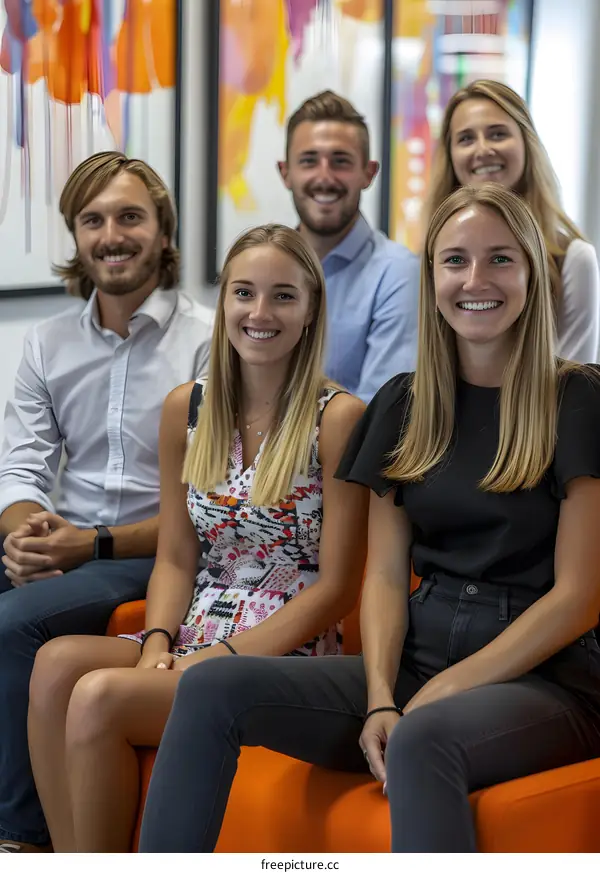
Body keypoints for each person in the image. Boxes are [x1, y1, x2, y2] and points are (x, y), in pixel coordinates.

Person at [137, 184, 600, 854]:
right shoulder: (402, 403)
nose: (476, 280)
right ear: (431, 276)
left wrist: (447, 687)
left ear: (531, 271)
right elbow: (383, 577)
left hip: (546, 679)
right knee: (210, 685)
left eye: (500, 259)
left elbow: (580, 596)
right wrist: (383, 694)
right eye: (454, 260)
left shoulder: (578, 397)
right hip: (414, 661)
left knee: (425, 734)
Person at [27, 224, 368, 853]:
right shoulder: (187, 407)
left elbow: (338, 587)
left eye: (283, 296)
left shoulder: (339, 417)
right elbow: (177, 557)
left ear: (311, 309)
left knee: (100, 695)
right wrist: (159, 639)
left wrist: (218, 660)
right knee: (54, 666)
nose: (260, 313)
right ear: (225, 302)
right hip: (193, 626)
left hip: (279, 650)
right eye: (244, 293)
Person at [0, 151, 212, 853]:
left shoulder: (210, 342)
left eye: (130, 216)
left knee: (16, 622)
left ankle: (22, 840)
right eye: (93, 220)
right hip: (68, 540)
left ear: (161, 229)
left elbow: (211, 507)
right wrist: (26, 538)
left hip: (159, 552)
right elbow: (20, 465)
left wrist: (86, 544)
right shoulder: (47, 343)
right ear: (76, 234)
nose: (111, 235)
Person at [425, 78, 599, 363]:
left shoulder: (572, 258)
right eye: (466, 138)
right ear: (450, 155)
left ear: (526, 143)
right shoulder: (431, 253)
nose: (482, 150)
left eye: (497, 134)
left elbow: (575, 383)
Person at [278, 90, 420, 402]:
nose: (324, 177)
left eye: (340, 161)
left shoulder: (399, 274)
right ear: (285, 172)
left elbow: (382, 412)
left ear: (368, 173)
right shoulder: (261, 270)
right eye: (309, 161)